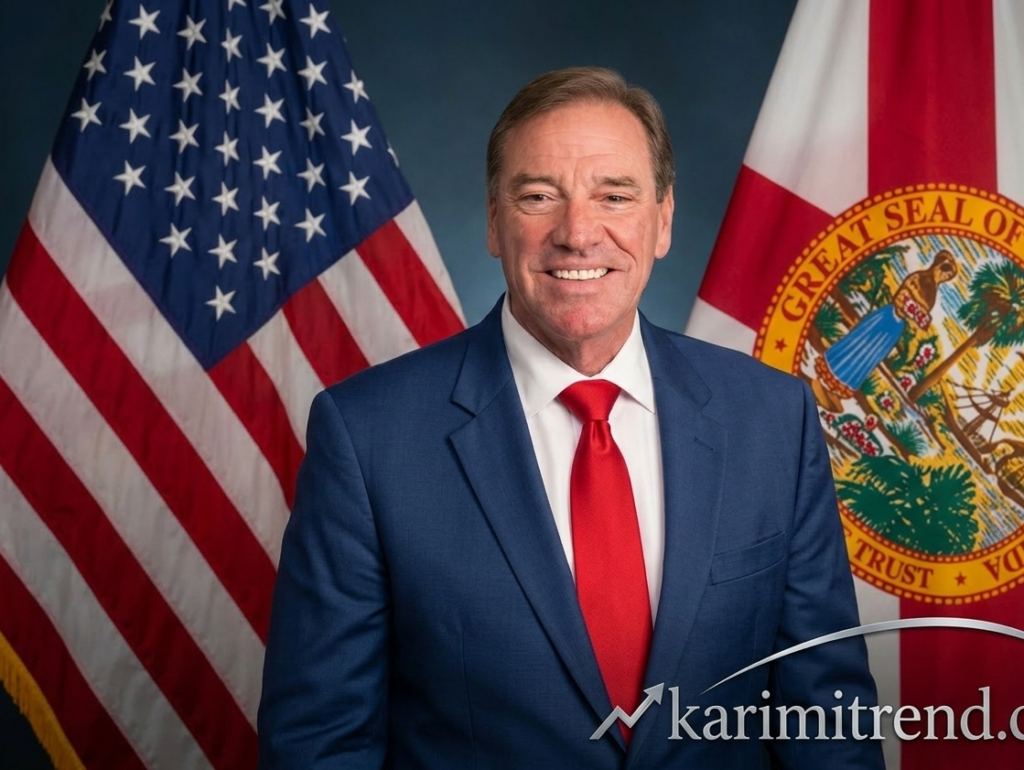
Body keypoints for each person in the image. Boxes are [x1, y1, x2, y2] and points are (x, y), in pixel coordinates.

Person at [258, 67, 885, 769]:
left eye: (614, 195)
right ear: (494, 222)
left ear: (663, 220)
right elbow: (320, 747)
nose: (578, 233)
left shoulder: (773, 419)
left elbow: (829, 726)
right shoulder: (368, 438)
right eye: (538, 196)